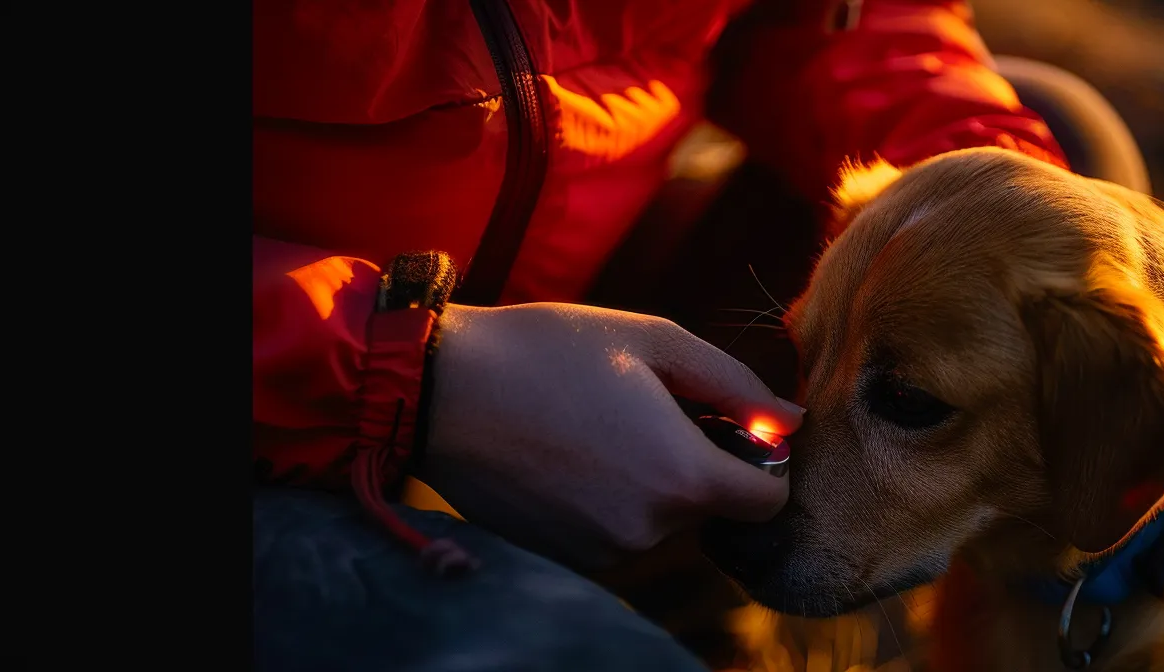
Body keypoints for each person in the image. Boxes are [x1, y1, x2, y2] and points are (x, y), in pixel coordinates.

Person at [253, 0, 1087, 669]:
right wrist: (415, 371)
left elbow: (817, 17)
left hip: (550, 298)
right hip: (287, 386)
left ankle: (679, 599)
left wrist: (995, 203)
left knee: (1050, 167)